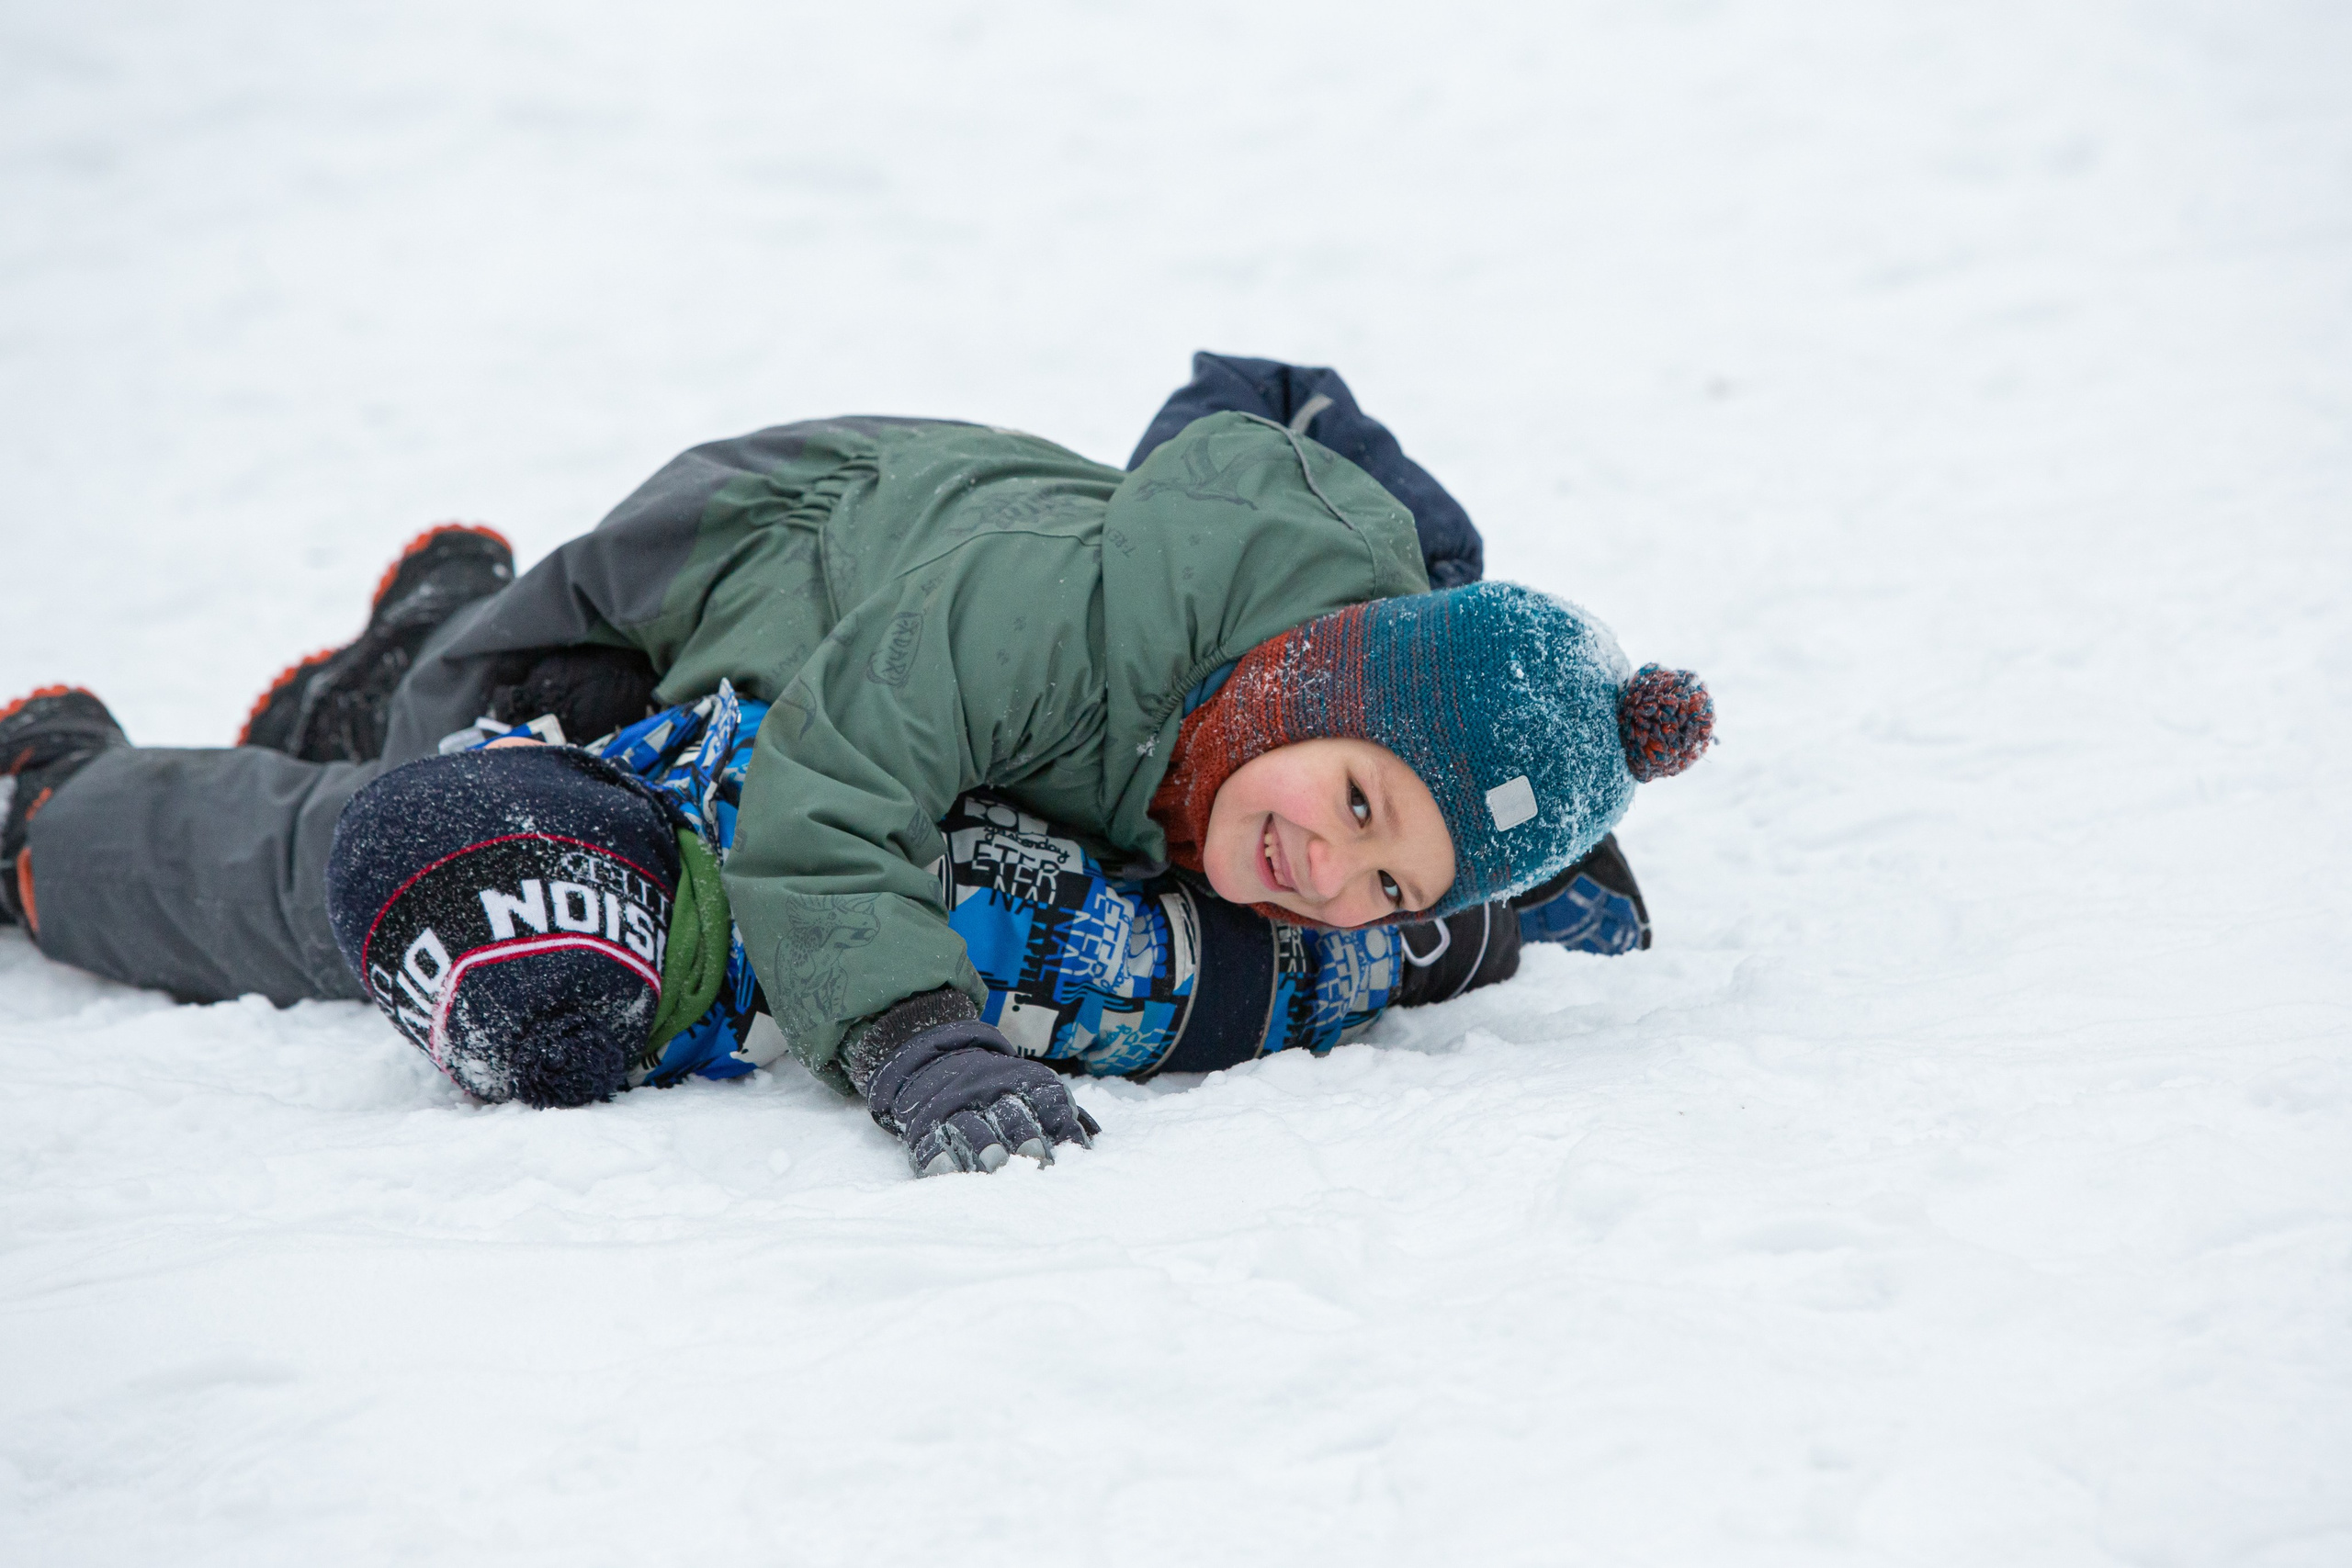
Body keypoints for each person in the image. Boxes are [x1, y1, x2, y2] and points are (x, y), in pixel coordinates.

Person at [0, 355, 1713, 1175]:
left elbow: (1436, 822)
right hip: (736, 566)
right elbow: (830, 786)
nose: (1328, 875)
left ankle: (414, 636)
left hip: (884, 575)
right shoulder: (1073, 617)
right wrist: (910, 1034)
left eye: (1390, 874)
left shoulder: (1322, 757)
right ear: (1303, 675)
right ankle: (54, 799)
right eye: (1351, 799)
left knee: (445, 753)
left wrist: (1525, 884)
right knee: (421, 823)